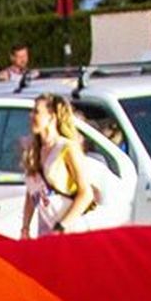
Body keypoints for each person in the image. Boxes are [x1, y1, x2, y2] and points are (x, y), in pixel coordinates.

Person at [20, 93, 94, 238]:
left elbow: (86, 193)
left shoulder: (67, 148)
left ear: (51, 117)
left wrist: (62, 226)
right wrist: (25, 228)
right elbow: (31, 194)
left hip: (69, 231)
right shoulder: (34, 149)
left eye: (36, 112)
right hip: (45, 231)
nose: (31, 115)